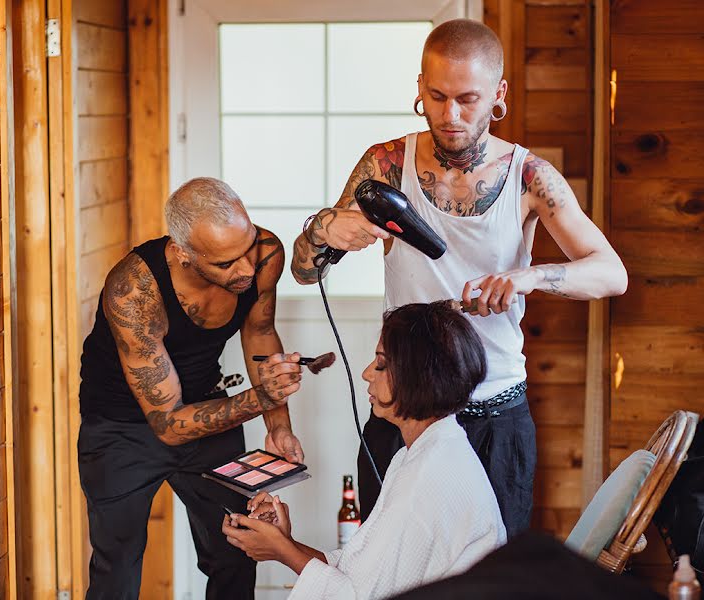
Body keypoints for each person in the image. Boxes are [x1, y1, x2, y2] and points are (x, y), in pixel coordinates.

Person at [290, 18, 628, 537]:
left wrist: (528, 277)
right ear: (420, 88)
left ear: (499, 93)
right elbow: (304, 271)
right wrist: (322, 230)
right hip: (403, 412)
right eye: (437, 95)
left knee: (488, 577)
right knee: (386, 572)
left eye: (467, 99)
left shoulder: (529, 177)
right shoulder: (385, 163)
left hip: (494, 414)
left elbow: (611, 273)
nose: (450, 115)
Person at [77, 177, 307, 599]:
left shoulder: (265, 254)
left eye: (247, 249)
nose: (244, 270)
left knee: (237, 550)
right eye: (225, 264)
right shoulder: (133, 292)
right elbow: (167, 425)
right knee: (117, 571)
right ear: (183, 253)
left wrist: (278, 426)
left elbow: (259, 332)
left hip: (207, 408)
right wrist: (263, 398)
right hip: (121, 430)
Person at [222, 302, 506, 599]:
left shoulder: (426, 480)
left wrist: (281, 550)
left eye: (381, 364)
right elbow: (359, 574)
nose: (366, 373)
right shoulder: (421, 453)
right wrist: (284, 542)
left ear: (417, 376)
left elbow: (359, 596)